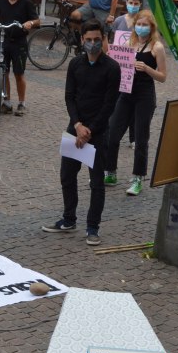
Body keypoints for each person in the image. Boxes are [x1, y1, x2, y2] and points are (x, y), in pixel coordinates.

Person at [42, 21, 120, 247]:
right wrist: (76, 125)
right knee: (67, 175)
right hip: (75, 128)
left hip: (97, 132)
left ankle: (93, 227)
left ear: (103, 39)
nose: (93, 44)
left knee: (96, 183)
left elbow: (109, 104)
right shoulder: (75, 64)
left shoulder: (112, 68)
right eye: (89, 39)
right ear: (82, 39)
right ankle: (69, 219)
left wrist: (90, 130)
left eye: (97, 39)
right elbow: (69, 96)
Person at [103, 8, 167, 196]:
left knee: (141, 139)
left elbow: (163, 76)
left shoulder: (157, 47)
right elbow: (117, 60)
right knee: (112, 133)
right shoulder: (129, 41)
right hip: (125, 93)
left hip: (144, 96)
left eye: (144, 25)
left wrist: (147, 68)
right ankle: (110, 172)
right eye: (138, 24)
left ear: (151, 27)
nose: (141, 28)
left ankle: (138, 178)